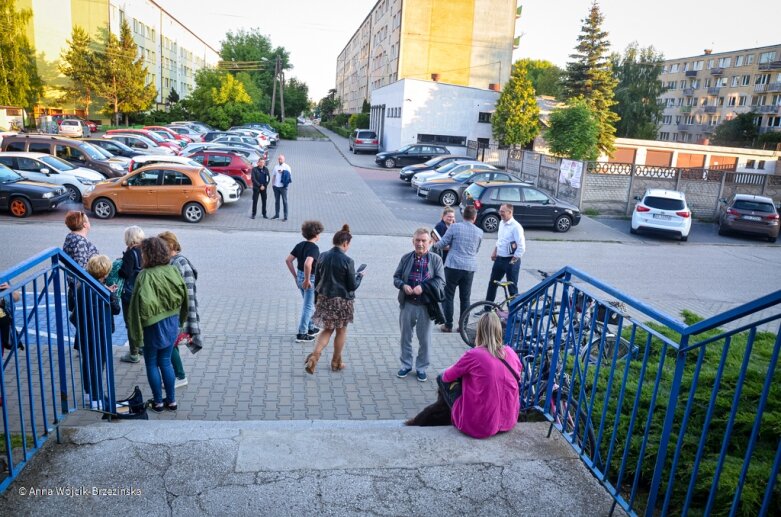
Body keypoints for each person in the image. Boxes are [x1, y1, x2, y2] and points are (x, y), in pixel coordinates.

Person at [406, 312, 521, 439]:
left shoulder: (474, 355)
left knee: (441, 375)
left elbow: (446, 377)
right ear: (499, 330)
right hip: (509, 421)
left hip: (480, 426)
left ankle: (453, 414)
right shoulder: (511, 352)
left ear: (480, 331)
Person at [128, 237, 188, 413]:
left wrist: (135, 335)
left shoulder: (144, 275)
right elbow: (185, 295)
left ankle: (158, 402)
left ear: (146, 254)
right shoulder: (172, 270)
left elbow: (135, 308)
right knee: (166, 362)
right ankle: (172, 401)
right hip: (171, 322)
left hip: (152, 326)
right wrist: (181, 320)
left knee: (152, 364)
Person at [304, 224, 364, 374]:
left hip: (324, 298)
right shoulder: (347, 261)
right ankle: (336, 362)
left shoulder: (322, 255)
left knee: (327, 329)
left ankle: (315, 356)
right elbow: (352, 286)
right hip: (342, 301)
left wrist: (316, 299)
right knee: (341, 331)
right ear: (345, 243)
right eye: (348, 244)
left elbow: (317, 279)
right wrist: (360, 277)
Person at [393, 228, 445, 382]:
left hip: (426, 306)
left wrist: (424, 287)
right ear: (413, 241)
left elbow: (441, 281)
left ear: (430, 242)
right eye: (417, 240)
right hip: (407, 304)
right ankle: (406, 365)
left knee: (425, 339)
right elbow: (396, 277)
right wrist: (403, 285)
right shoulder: (406, 258)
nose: (420, 244)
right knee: (405, 337)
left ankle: (421, 367)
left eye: (423, 241)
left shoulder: (436, 260)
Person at [74, 255, 121, 409]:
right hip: (99, 333)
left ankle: (89, 394)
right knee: (98, 364)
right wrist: (112, 295)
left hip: (84, 332)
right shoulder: (102, 291)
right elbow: (115, 309)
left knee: (87, 362)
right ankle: (96, 398)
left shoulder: (83, 285)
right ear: (105, 273)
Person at [158, 231, 202, 389]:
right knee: (170, 343)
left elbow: (182, 292)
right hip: (175, 312)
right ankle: (177, 374)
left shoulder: (178, 262)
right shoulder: (174, 261)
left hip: (176, 312)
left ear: (169, 246)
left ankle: (180, 376)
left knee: (169, 344)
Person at [432, 206, 483, 333]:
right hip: (469, 268)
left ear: (463, 215)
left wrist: (433, 244)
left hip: (453, 266)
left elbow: (442, 243)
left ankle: (448, 325)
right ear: (474, 217)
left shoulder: (455, 227)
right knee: (465, 298)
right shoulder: (479, 232)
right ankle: (463, 326)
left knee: (448, 295)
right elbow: (476, 249)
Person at [285, 220, 324, 343]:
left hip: (300, 277)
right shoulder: (314, 248)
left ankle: (311, 327)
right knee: (308, 306)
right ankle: (302, 333)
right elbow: (308, 263)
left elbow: (288, 260)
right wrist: (307, 280)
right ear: (316, 234)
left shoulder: (300, 245)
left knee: (310, 304)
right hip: (309, 279)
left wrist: (296, 277)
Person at [484, 204, 525, 305]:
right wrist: (495, 251)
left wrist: (513, 260)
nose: (500, 213)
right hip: (500, 259)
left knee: (512, 286)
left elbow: (521, 246)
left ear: (510, 212)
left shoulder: (516, 227)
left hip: (511, 260)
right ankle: (487, 308)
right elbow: (500, 240)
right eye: (500, 211)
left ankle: (514, 312)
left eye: (502, 211)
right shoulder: (502, 223)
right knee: (492, 283)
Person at [118, 226, 145, 364]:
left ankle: (134, 353)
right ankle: (142, 347)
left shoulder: (131, 253)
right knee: (141, 321)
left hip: (130, 293)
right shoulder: (145, 250)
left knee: (131, 322)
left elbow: (125, 273)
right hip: (144, 292)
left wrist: (119, 267)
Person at [271, 154, 292, 221]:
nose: (280, 160)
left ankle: (285, 217)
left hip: (283, 187)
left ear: (284, 159)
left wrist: (283, 172)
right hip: (276, 187)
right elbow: (274, 175)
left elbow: (289, 176)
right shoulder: (276, 167)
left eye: (281, 159)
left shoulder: (287, 167)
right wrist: (273, 184)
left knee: (285, 201)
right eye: (279, 159)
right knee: (277, 201)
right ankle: (277, 215)